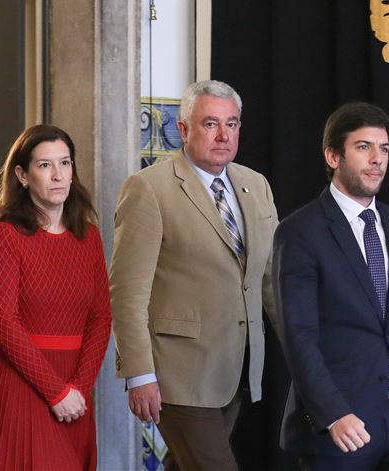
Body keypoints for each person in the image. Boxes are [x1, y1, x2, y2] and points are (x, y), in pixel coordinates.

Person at [110, 79, 279, 470]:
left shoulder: (256, 185)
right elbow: (127, 292)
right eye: (210, 124)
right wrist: (139, 374)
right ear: (183, 129)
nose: (223, 136)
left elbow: (269, 281)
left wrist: (308, 355)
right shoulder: (149, 189)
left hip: (235, 369)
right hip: (177, 374)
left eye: (232, 124)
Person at [273, 102, 389, 470]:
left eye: (383, 149)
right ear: (333, 156)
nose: (376, 159)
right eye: (363, 147)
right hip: (341, 420)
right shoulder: (300, 232)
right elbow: (299, 336)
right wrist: (334, 413)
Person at [0, 124, 112, 470]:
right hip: (24, 388)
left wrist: (78, 389)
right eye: (45, 165)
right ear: (22, 175)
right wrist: (56, 392)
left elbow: (101, 318)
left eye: (64, 164)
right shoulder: (5, 236)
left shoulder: (89, 236)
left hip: (76, 393)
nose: (58, 176)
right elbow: (3, 324)